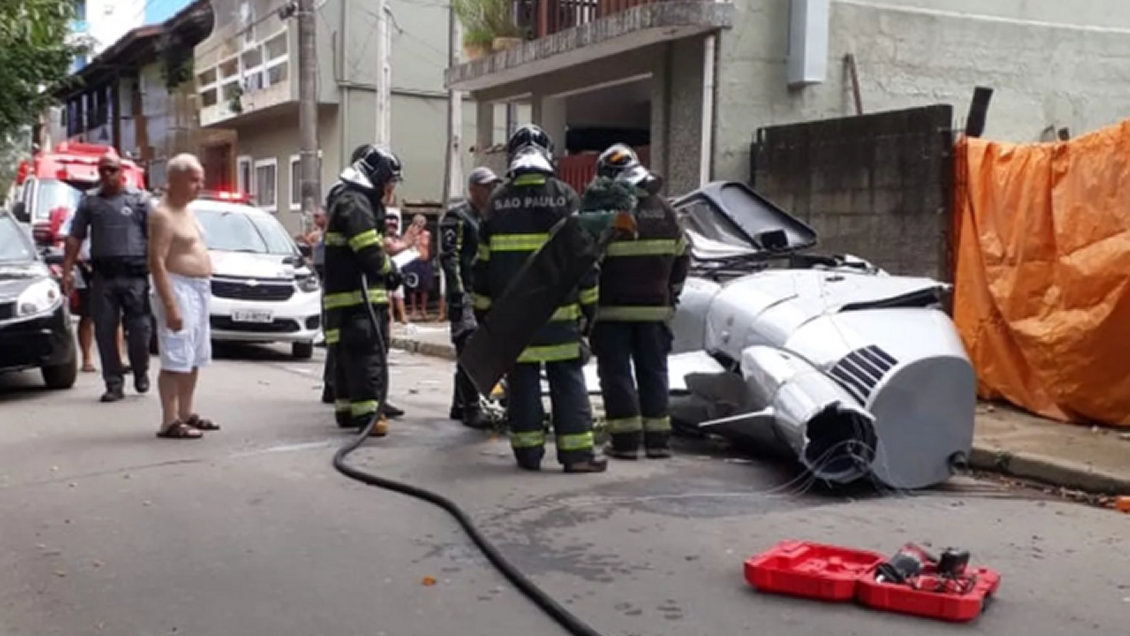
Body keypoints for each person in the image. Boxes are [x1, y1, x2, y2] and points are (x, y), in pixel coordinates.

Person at [472, 124, 606, 473]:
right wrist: (590, 309)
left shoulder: (497, 203)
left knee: (524, 382)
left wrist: (485, 314)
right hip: (560, 317)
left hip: (515, 319)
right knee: (567, 380)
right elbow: (584, 261)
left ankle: (528, 454)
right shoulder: (565, 197)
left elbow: (482, 267)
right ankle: (576, 455)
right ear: (547, 154)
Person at [584, 144, 690, 459]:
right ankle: (658, 441)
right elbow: (683, 256)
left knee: (617, 374)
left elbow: (588, 262)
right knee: (654, 372)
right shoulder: (666, 210)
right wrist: (672, 295)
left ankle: (625, 442)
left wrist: (586, 308)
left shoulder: (607, 213)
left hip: (612, 311)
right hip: (656, 310)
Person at [322, 144, 405, 435]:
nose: (390, 188)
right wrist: (391, 271)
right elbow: (369, 251)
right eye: (390, 182)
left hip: (346, 301)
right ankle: (369, 416)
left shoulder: (350, 199)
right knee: (366, 355)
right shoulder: (356, 203)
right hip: (359, 302)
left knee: (348, 358)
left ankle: (347, 411)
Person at [62, 151, 154, 403]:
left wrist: (158, 269)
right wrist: (67, 270)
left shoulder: (140, 200)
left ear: (121, 172)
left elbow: (155, 237)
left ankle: (140, 369)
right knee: (104, 330)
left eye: (112, 169)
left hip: (135, 275)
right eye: (103, 170)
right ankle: (113, 382)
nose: (107, 175)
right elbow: (74, 237)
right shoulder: (90, 202)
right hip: (103, 276)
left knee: (140, 330)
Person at [147, 154, 218, 439]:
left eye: (201, 179)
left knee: (194, 355)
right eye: (193, 180)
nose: (199, 185)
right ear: (173, 180)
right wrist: (171, 305)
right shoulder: (162, 216)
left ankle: (187, 412)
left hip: (199, 288)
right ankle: (169, 419)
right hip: (178, 287)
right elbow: (156, 262)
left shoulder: (187, 211)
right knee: (176, 355)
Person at [439, 166, 501, 429]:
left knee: (470, 350)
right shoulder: (458, 216)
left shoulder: (488, 217)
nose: (490, 192)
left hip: (481, 293)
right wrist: (458, 293)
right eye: (486, 187)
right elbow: (450, 257)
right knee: (470, 349)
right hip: (464, 293)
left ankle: (460, 404)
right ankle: (471, 408)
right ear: (473, 189)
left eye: (492, 187)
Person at [403, 214, 433, 321]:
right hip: (413, 261)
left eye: (421, 222)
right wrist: (411, 232)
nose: (419, 225)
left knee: (425, 287)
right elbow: (404, 243)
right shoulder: (410, 232)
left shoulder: (427, 234)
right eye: (417, 222)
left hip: (424, 262)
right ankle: (413, 309)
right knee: (413, 287)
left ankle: (423, 310)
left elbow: (430, 248)